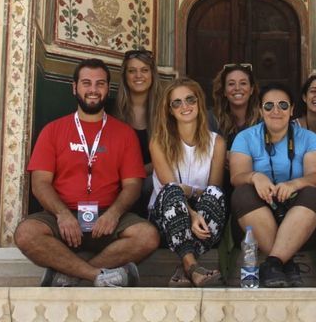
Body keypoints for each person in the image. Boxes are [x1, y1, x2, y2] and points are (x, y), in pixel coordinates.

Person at [14, 58, 160, 287]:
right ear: (75, 87)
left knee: (148, 236)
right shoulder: (53, 130)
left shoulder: (124, 133)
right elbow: (40, 183)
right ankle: (96, 276)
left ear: (107, 88)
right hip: (63, 216)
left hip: (107, 218)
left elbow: (132, 184)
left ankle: (67, 275)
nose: (93, 90)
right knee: (26, 233)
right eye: (86, 83)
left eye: (100, 83)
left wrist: (113, 214)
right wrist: (62, 214)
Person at [229, 83, 316, 288]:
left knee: (312, 193)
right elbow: (237, 176)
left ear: (292, 110)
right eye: (269, 106)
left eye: (283, 105)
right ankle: (284, 262)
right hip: (254, 222)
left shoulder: (308, 138)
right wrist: (255, 177)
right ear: (259, 110)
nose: (276, 111)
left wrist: (294, 184)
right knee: (242, 193)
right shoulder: (245, 137)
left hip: (299, 220)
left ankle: (272, 263)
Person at [148, 78, 227, 287]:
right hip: (164, 218)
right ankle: (193, 266)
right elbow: (169, 189)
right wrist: (191, 214)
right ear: (170, 110)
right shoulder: (159, 142)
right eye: (177, 103)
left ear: (199, 102)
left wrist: (191, 192)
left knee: (215, 196)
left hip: (203, 221)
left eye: (190, 99)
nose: (185, 106)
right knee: (173, 191)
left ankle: (185, 267)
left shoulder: (216, 143)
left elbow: (213, 190)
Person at [112, 48, 160, 215]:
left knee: (147, 184)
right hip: (118, 178)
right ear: (125, 76)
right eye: (132, 71)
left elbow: (170, 155)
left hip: (151, 179)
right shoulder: (112, 110)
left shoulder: (164, 111)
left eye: (144, 70)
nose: (138, 76)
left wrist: (136, 172)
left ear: (152, 74)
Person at [211, 63, 260, 146]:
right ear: (224, 91)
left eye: (243, 83)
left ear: (251, 89)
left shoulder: (262, 119)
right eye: (231, 84)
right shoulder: (212, 119)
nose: (237, 88)